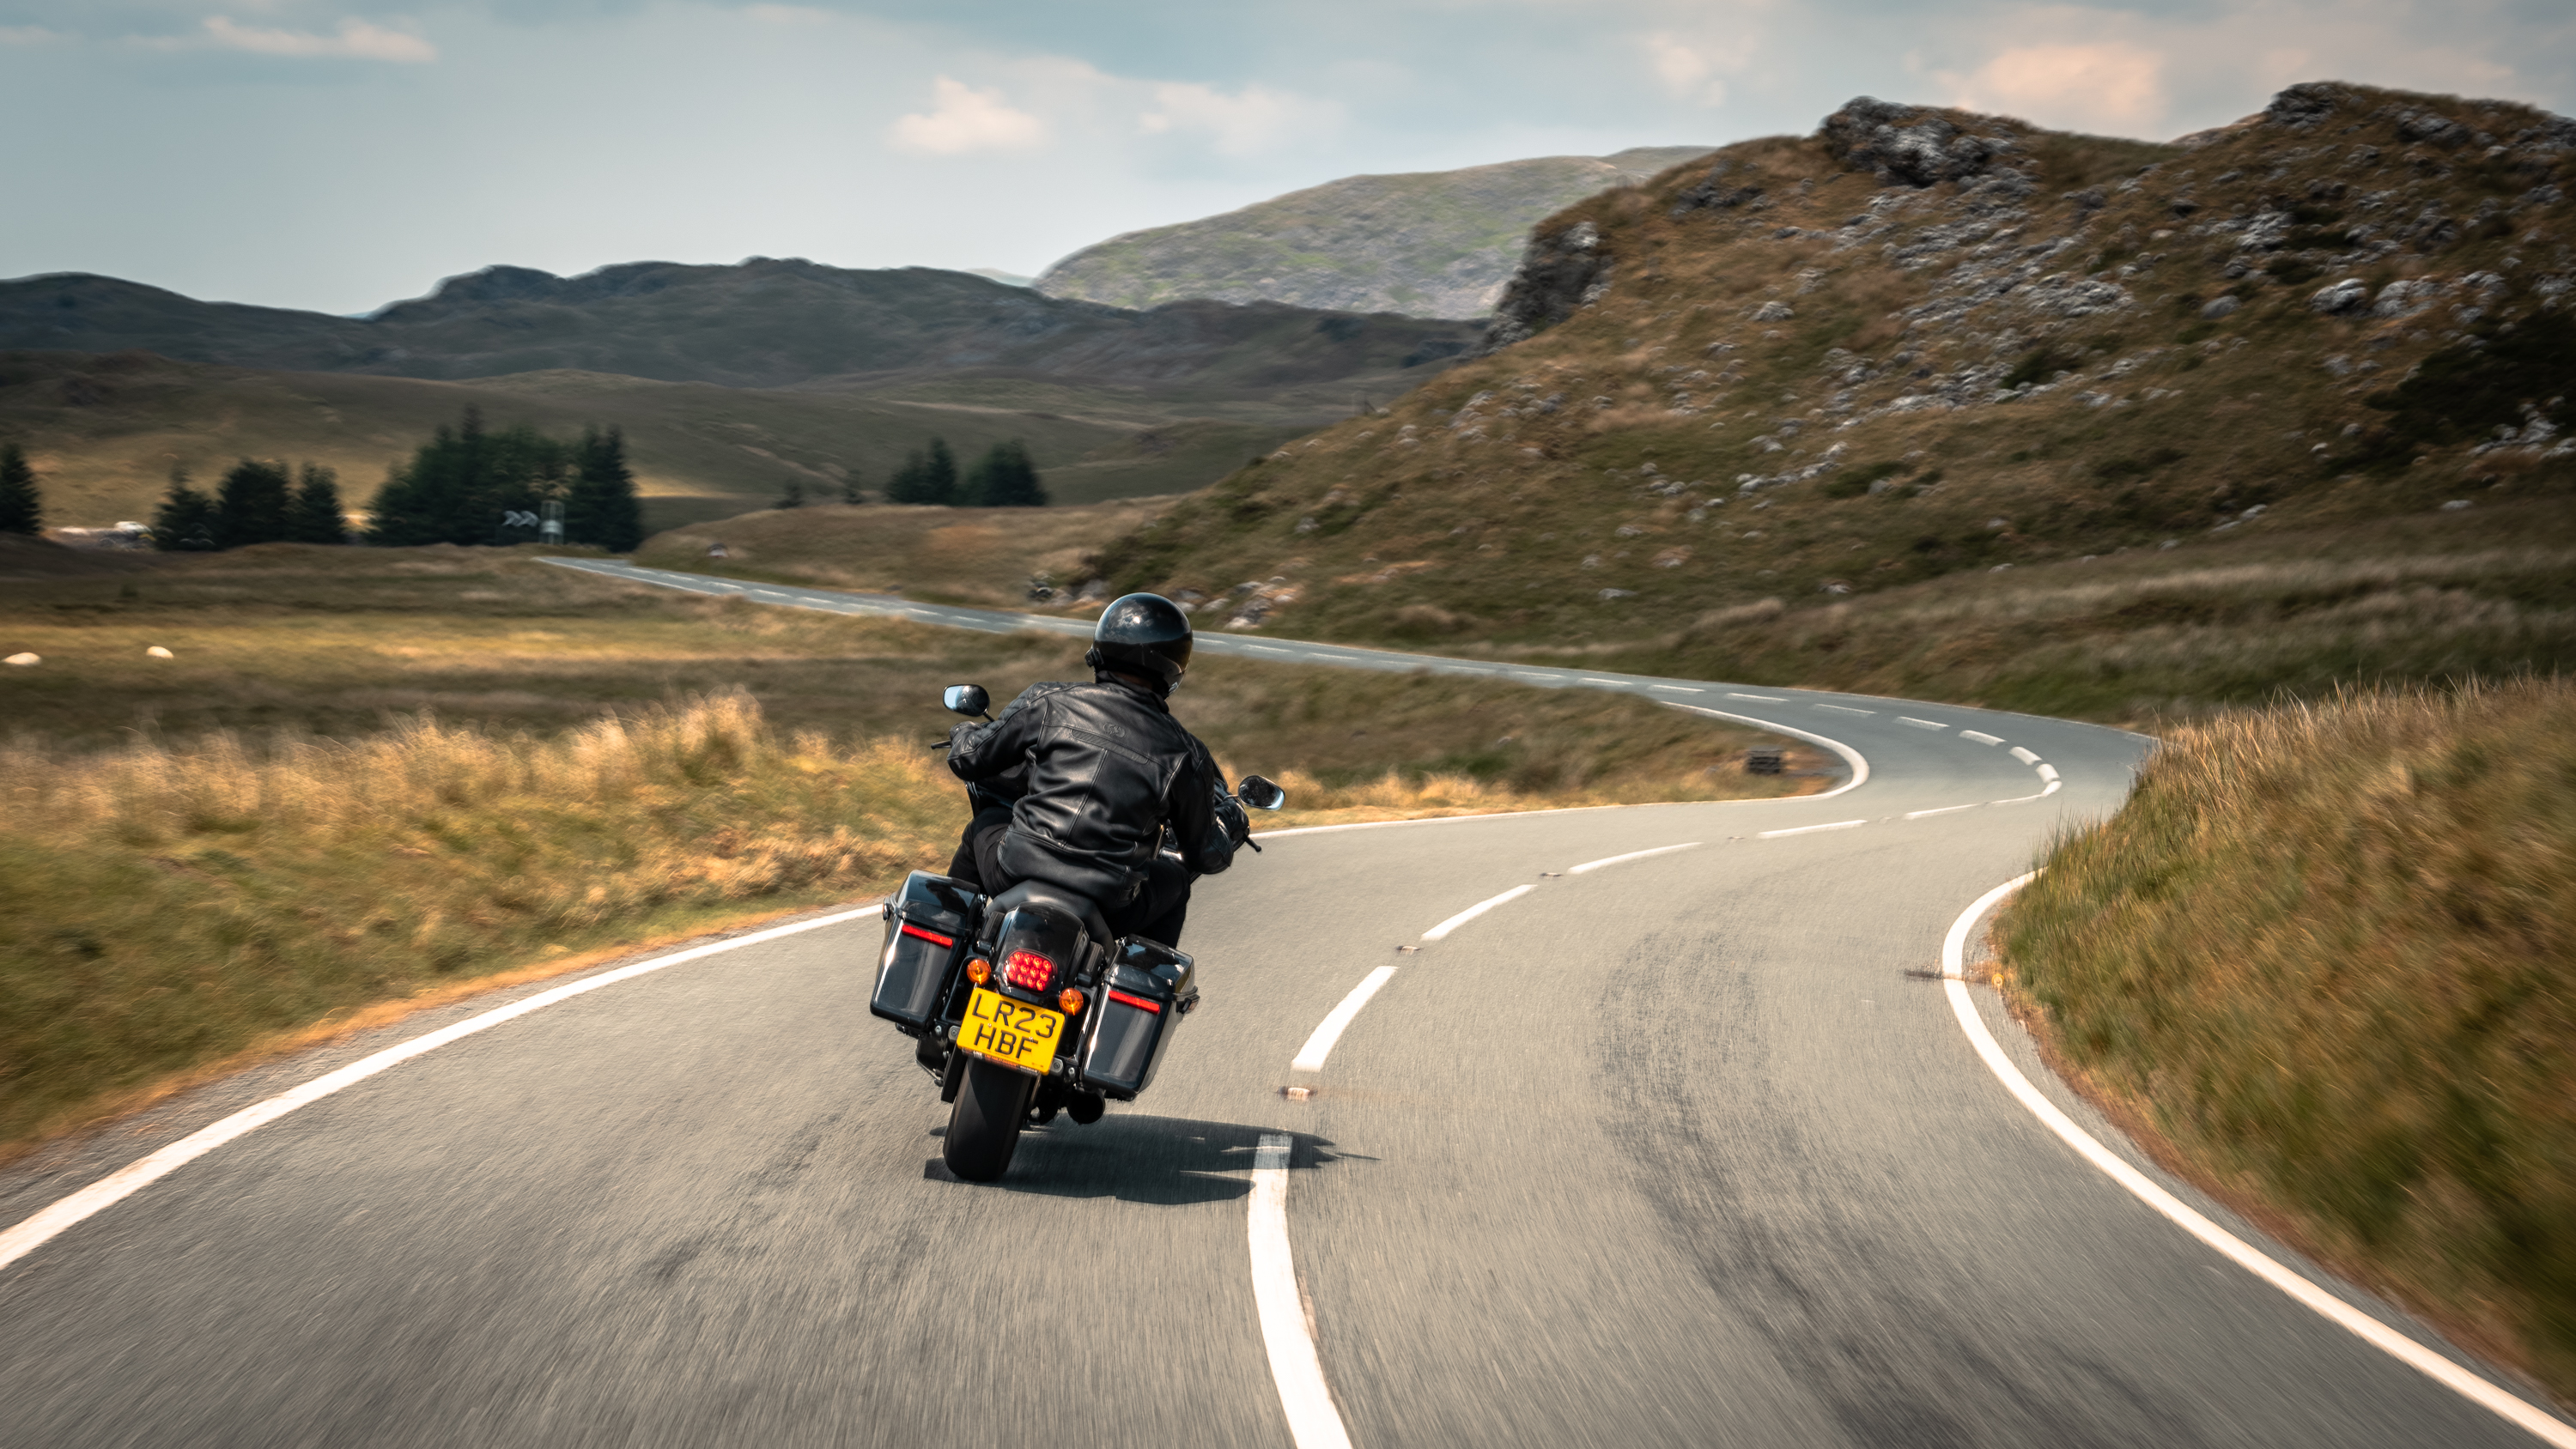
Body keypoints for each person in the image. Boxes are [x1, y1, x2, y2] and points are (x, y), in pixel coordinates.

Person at [942, 592, 1248, 948]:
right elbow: (1204, 854)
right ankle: (1141, 977)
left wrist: (963, 732)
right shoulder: (1185, 754)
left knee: (982, 824)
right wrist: (1231, 821)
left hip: (1013, 871)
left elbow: (969, 760)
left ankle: (948, 935)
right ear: (1174, 666)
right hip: (1111, 903)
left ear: (1102, 643)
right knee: (1176, 881)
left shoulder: (1049, 701)